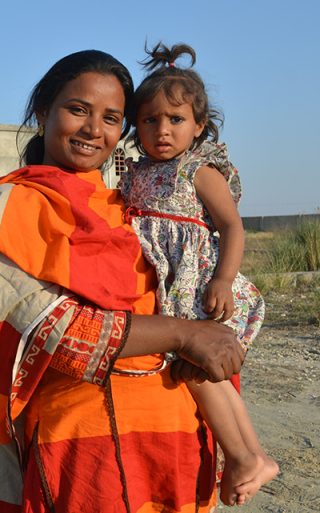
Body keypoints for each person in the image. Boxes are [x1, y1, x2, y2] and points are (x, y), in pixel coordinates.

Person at [0, 50, 245, 513]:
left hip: (176, 442)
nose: (93, 129)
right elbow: (57, 332)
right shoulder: (11, 204)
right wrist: (185, 333)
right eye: (78, 109)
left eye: (111, 118)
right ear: (44, 112)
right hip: (84, 454)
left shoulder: (128, 210)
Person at [120, 42, 278, 506]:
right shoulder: (136, 171)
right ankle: (251, 455)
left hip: (196, 283)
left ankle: (244, 455)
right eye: (149, 120)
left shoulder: (197, 169)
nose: (162, 130)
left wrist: (224, 280)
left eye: (175, 120)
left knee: (196, 369)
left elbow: (231, 226)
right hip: (165, 285)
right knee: (202, 372)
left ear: (199, 126)